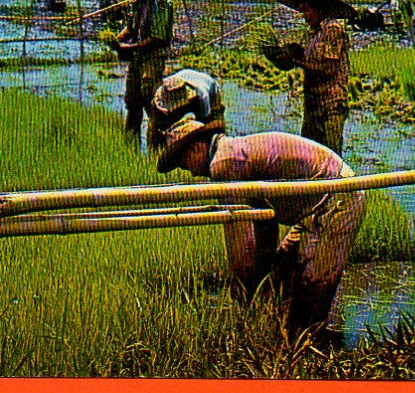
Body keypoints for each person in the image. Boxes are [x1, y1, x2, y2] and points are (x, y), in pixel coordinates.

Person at [155, 117, 366, 345]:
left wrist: (243, 292)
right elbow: (263, 223)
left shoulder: (223, 164)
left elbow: (240, 239)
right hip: (313, 202)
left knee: (314, 285)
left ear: (196, 148)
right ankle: (286, 337)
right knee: (282, 267)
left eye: (184, 163)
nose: (190, 172)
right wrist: (262, 274)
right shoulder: (234, 152)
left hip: (338, 195)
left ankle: (312, 351)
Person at [262, 0, 358, 156]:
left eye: (307, 10)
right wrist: (283, 57)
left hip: (330, 106)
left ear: (320, 8)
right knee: (308, 155)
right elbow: (305, 60)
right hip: (313, 104)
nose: (304, 16)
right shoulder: (312, 34)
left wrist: (297, 61)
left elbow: (327, 68)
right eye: (302, 11)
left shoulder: (332, 30)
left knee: (330, 157)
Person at [109, 0, 175, 146]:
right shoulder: (139, 0)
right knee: (132, 102)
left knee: (152, 104)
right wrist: (117, 40)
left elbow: (157, 38)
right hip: (137, 58)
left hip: (152, 59)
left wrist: (128, 48)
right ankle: (130, 150)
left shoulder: (161, 2)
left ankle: (157, 151)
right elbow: (130, 28)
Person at [151, 68, 225, 147]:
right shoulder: (163, 90)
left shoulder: (202, 96)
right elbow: (153, 129)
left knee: (214, 132)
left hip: (212, 91)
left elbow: (205, 124)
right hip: (185, 77)